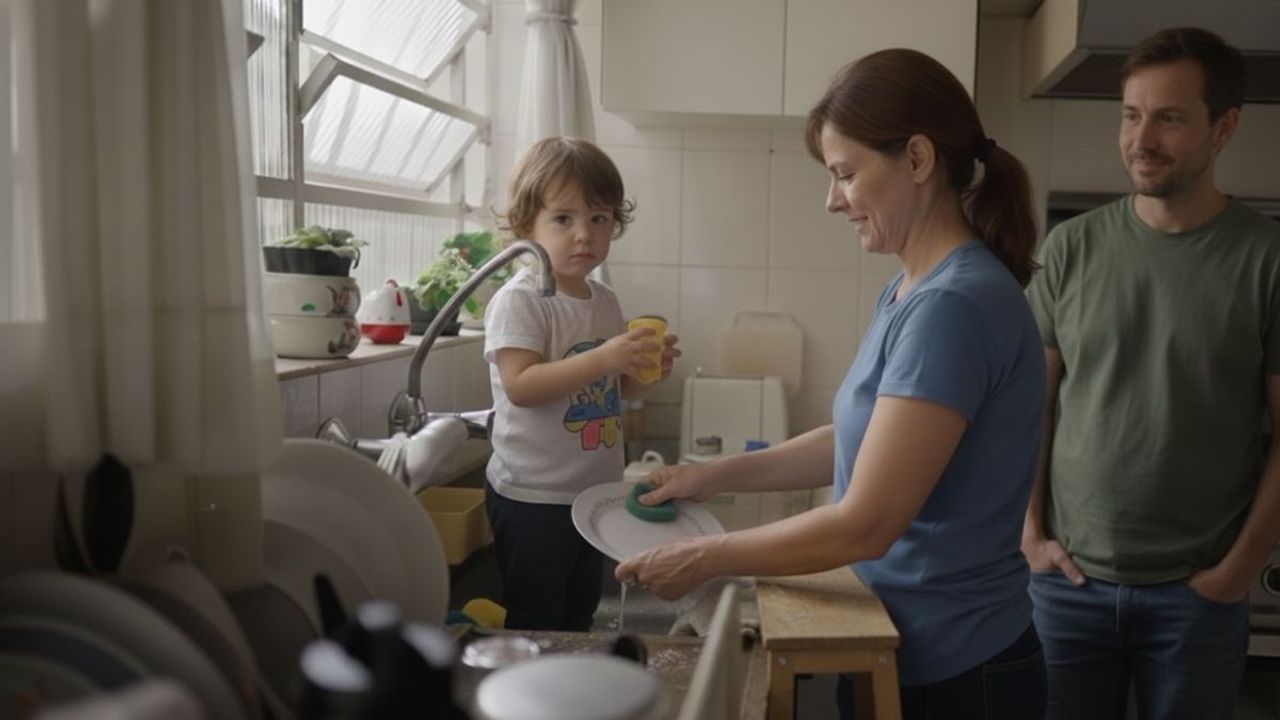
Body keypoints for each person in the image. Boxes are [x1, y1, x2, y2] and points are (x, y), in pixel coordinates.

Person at [616, 48, 1047, 718]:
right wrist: (708, 476)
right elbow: (855, 438)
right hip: (897, 640)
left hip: (957, 671)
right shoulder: (910, 291)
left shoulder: (953, 308)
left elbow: (866, 523)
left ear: (918, 160)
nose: (831, 200)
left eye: (845, 173)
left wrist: (707, 557)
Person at [1022, 26, 1280, 719]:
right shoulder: (1070, 247)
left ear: (1223, 128)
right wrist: (1029, 533)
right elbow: (1029, 407)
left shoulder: (1267, 259)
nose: (1142, 139)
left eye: (1169, 117)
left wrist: (1235, 572)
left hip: (1195, 596)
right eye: (1131, 115)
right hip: (1067, 587)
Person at [483, 137, 681, 632]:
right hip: (534, 496)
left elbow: (616, 394)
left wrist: (642, 372)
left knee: (579, 612)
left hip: (592, 495)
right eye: (563, 219)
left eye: (598, 219)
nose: (583, 235)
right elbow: (521, 386)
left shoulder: (604, 301)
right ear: (527, 224)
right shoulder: (522, 300)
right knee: (535, 618)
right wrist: (603, 358)